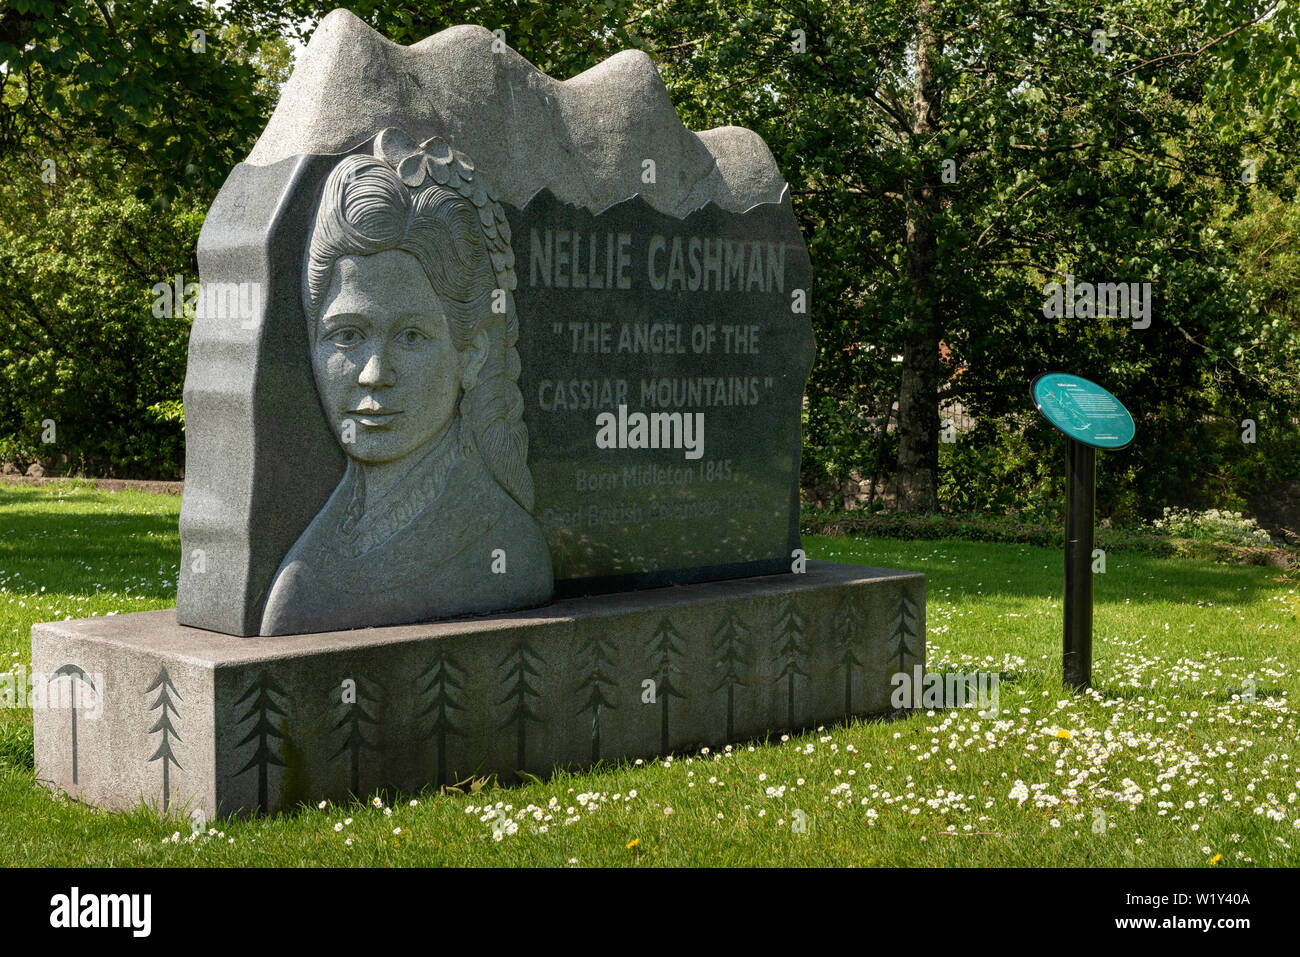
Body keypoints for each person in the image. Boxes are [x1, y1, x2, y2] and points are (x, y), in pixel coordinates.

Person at [259, 136, 552, 636]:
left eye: (411, 336)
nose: (374, 373)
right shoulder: (323, 542)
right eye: (347, 335)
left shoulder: (505, 547)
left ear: (471, 355)